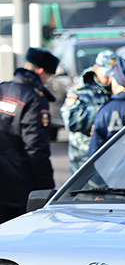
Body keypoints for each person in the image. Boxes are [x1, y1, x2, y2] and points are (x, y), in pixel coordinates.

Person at [0, 47, 59, 222]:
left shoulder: (2, 88)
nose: (47, 81)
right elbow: (36, 148)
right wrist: (47, 187)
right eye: (48, 76)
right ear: (41, 71)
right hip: (20, 186)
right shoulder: (34, 99)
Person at [61, 50, 115, 173]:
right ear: (96, 69)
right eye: (107, 75)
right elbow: (70, 120)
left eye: (113, 75)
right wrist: (103, 113)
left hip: (113, 157)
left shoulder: (118, 88)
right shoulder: (80, 91)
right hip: (84, 158)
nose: (110, 80)